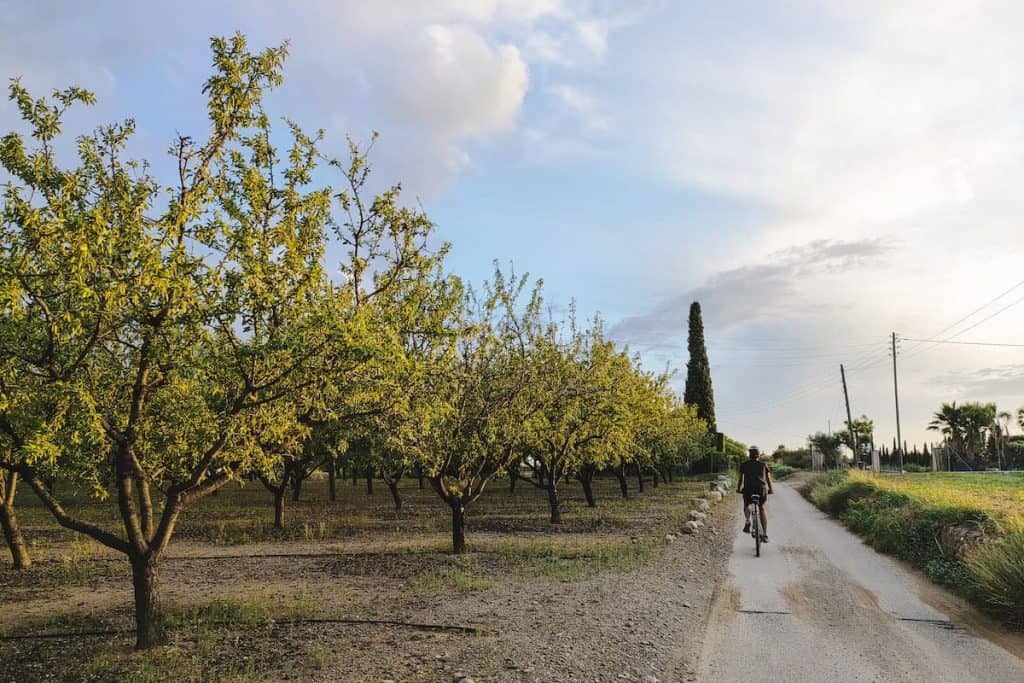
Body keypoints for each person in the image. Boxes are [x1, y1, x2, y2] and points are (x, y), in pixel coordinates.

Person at [737, 445, 773, 542]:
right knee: (762, 508)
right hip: (761, 489)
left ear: (749, 455)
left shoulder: (744, 464)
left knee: (747, 504)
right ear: (758, 455)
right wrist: (771, 489)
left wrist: (738, 489)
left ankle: (748, 520)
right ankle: (765, 535)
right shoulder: (763, 464)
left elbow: (741, 479)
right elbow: (768, 479)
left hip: (748, 489)